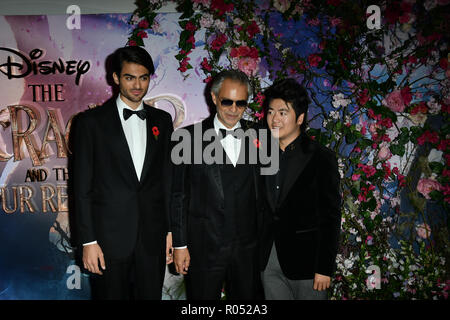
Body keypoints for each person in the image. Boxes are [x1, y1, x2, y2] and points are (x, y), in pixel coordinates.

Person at [72, 46, 174, 300]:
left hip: (152, 239)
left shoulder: (162, 121)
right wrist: (88, 241)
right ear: (116, 78)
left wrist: (172, 232)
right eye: (129, 77)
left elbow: (168, 181)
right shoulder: (90, 123)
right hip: (107, 241)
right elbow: (80, 188)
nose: (137, 85)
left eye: (143, 77)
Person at [171, 70, 264, 300]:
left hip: (247, 249)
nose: (234, 109)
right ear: (214, 98)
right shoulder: (187, 138)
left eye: (241, 103)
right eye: (227, 101)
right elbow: (179, 196)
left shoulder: (260, 136)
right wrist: (180, 245)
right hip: (204, 248)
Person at [260, 78, 341, 300]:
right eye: (270, 111)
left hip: (308, 265)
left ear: (300, 118)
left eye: (282, 112)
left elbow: (330, 216)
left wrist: (325, 267)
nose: (274, 118)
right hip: (268, 262)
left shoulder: (321, 157)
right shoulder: (259, 154)